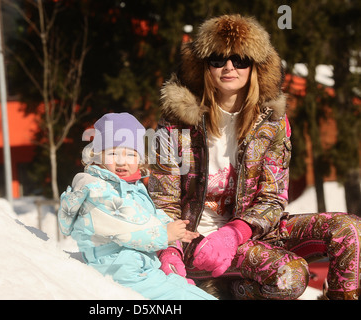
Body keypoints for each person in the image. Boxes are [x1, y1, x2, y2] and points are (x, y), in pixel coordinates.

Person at [148, 14, 361, 300]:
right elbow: (164, 200)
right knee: (291, 276)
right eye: (217, 59)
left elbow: (272, 197)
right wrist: (169, 248)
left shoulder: (272, 122)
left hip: (252, 232)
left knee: (350, 230)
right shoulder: (176, 123)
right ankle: (232, 287)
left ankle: (238, 288)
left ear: (255, 66)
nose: (228, 67)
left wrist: (236, 232)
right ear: (203, 66)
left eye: (240, 59)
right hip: (195, 240)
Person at [58, 112, 217, 300]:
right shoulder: (96, 189)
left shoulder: (132, 186)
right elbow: (126, 225)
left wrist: (176, 228)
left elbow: (148, 213)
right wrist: (165, 234)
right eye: (112, 153)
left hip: (139, 267)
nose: (121, 161)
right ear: (98, 155)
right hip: (118, 270)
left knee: (187, 289)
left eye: (131, 154)